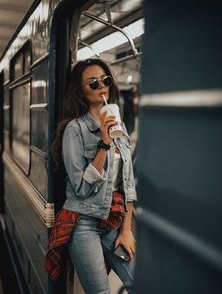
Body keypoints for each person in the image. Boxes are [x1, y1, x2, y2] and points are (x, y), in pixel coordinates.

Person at [48, 58, 137, 294]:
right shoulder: (74, 130)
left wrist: (126, 229)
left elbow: (127, 182)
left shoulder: (121, 126)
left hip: (113, 221)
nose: (102, 87)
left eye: (105, 80)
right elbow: (80, 188)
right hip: (84, 222)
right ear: (81, 90)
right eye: (93, 83)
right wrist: (104, 143)